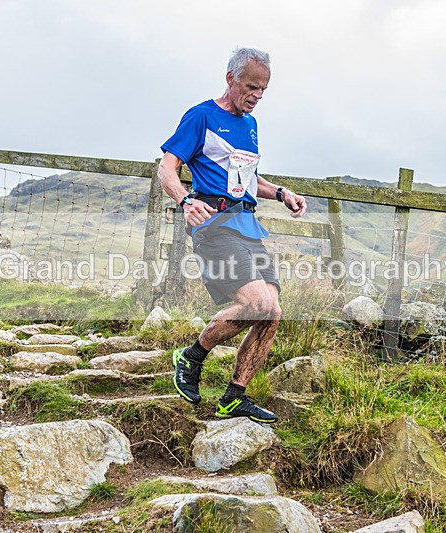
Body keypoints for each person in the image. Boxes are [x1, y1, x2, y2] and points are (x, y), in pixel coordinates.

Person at [157, 47, 307, 424]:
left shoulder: (250, 126)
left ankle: (234, 396)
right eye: (251, 86)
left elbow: (247, 179)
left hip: (248, 227)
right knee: (259, 305)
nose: (256, 96)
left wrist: (282, 193)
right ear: (230, 79)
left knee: (272, 313)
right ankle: (191, 355)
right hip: (215, 227)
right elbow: (167, 168)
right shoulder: (202, 116)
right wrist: (185, 200)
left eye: (263, 90)